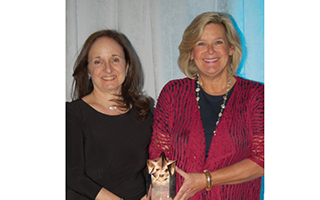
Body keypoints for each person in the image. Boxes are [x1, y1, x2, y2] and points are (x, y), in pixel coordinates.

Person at [148, 12, 264, 199]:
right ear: (191, 53)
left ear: (231, 48)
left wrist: (206, 180)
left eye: (218, 42)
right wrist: (160, 196)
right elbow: (159, 153)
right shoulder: (172, 93)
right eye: (201, 43)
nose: (210, 51)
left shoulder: (256, 95)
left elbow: (263, 159)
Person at [66, 30, 153, 200]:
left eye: (115, 59)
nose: (108, 68)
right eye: (98, 61)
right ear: (88, 70)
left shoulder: (144, 113)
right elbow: (73, 175)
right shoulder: (72, 114)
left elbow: (149, 168)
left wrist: (152, 193)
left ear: (127, 66)